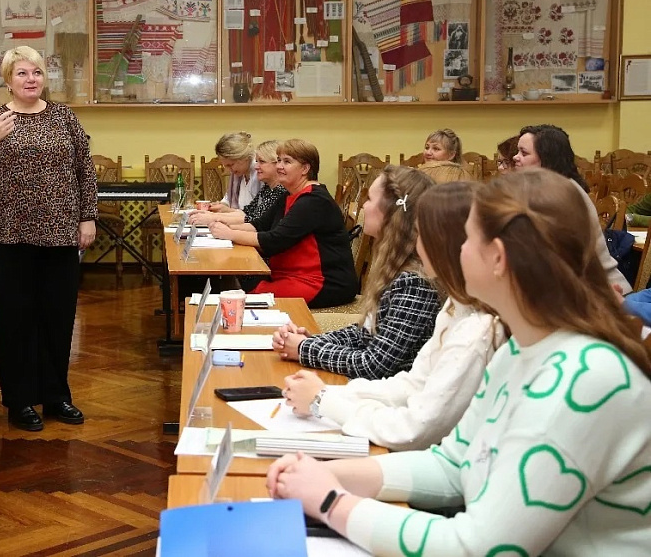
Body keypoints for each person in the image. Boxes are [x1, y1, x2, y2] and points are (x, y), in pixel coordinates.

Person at [267, 169, 651, 556]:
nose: (451, 247)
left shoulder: (583, 378)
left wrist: (331, 501)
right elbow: (453, 466)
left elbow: (481, 546)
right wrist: (327, 473)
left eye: (466, 238)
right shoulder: (521, 346)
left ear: (497, 258)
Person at [279, 181, 504, 450]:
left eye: (422, 234)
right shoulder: (455, 306)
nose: (418, 244)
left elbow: (416, 428)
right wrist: (326, 390)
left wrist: (322, 399)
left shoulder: (474, 328)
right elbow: (411, 384)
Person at [0, 46, 97, 432]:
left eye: (36, 72)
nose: (30, 79)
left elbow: (85, 169)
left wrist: (87, 217)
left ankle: (56, 396)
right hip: (9, 235)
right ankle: (19, 401)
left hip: (60, 234)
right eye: (22, 73)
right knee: (14, 320)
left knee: (58, 318)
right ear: (8, 80)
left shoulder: (64, 117)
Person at [272, 166, 441, 379]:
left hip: (387, 393)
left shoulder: (414, 282)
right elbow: (364, 333)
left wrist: (305, 349)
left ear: (391, 212)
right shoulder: (395, 267)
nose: (364, 206)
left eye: (369, 199)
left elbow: (375, 365)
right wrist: (311, 342)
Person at [208, 139, 357, 308]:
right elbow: (259, 225)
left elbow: (275, 240)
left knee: (247, 293)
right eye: (278, 160)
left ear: (305, 169)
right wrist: (221, 227)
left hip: (323, 283)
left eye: (287, 162)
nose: (279, 166)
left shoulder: (314, 200)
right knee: (238, 281)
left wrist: (229, 234)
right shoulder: (288, 194)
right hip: (292, 275)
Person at [513, 123, 630, 292]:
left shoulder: (562, 195)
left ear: (547, 158)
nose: (515, 157)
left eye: (523, 153)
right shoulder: (543, 189)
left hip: (601, 291)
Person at [188, 140, 284, 228]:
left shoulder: (281, 191)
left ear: (278, 164)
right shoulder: (267, 189)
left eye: (261, 162)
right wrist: (212, 215)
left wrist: (216, 219)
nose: (256, 166)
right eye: (257, 161)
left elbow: (255, 221)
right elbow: (247, 213)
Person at [206, 131, 262, 213]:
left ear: (244, 158)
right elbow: (228, 200)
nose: (228, 170)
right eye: (225, 166)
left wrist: (229, 211)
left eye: (231, 165)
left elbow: (260, 215)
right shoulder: (238, 174)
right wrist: (220, 205)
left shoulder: (261, 173)